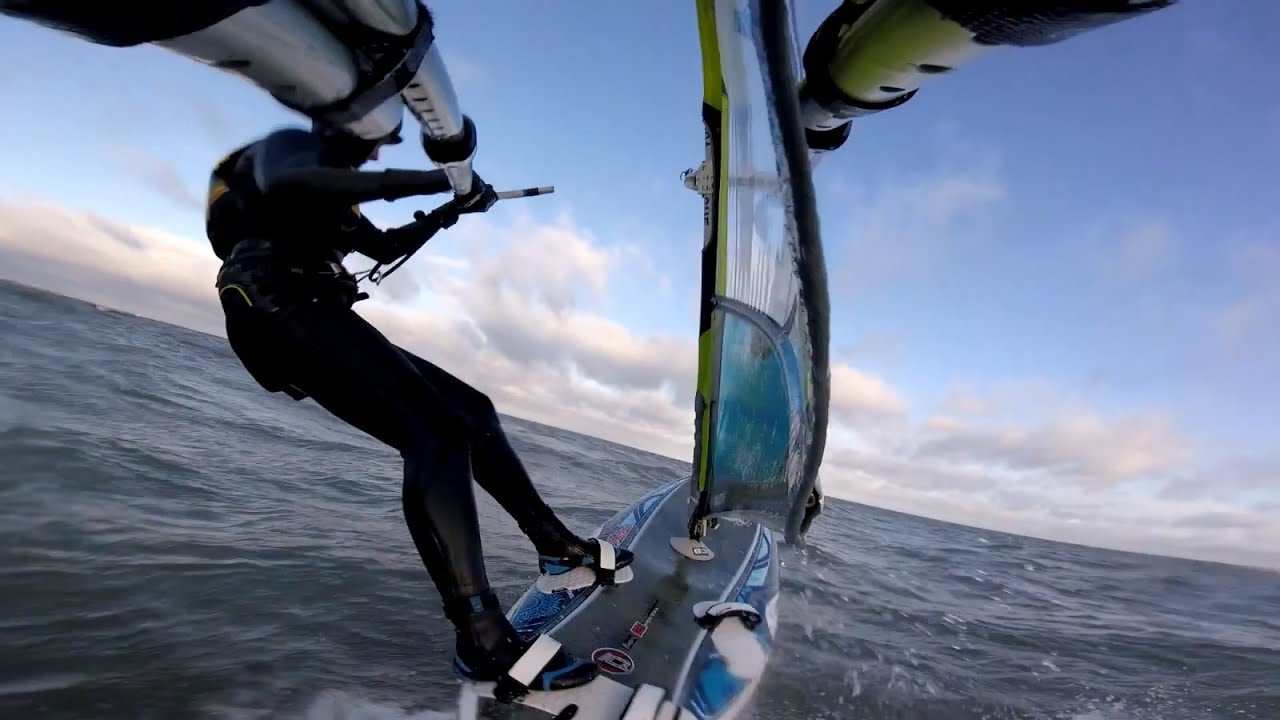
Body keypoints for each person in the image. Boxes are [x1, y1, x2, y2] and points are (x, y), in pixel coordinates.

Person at [204, 118, 634, 693]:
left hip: (312, 306)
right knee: (435, 434)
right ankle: (481, 637)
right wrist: (444, 179)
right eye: (384, 132)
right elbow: (294, 184)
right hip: (273, 305)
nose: (387, 144)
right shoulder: (291, 152)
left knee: (472, 412)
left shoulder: (335, 193)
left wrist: (452, 209)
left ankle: (555, 546)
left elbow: (382, 246)